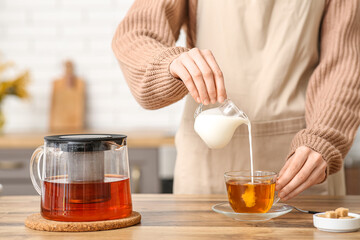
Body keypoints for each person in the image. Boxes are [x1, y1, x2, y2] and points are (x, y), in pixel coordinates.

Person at [112, 0, 360, 200]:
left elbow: (345, 63)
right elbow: (136, 34)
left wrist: (325, 136)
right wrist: (170, 63)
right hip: (206, 168)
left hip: (304, 165)